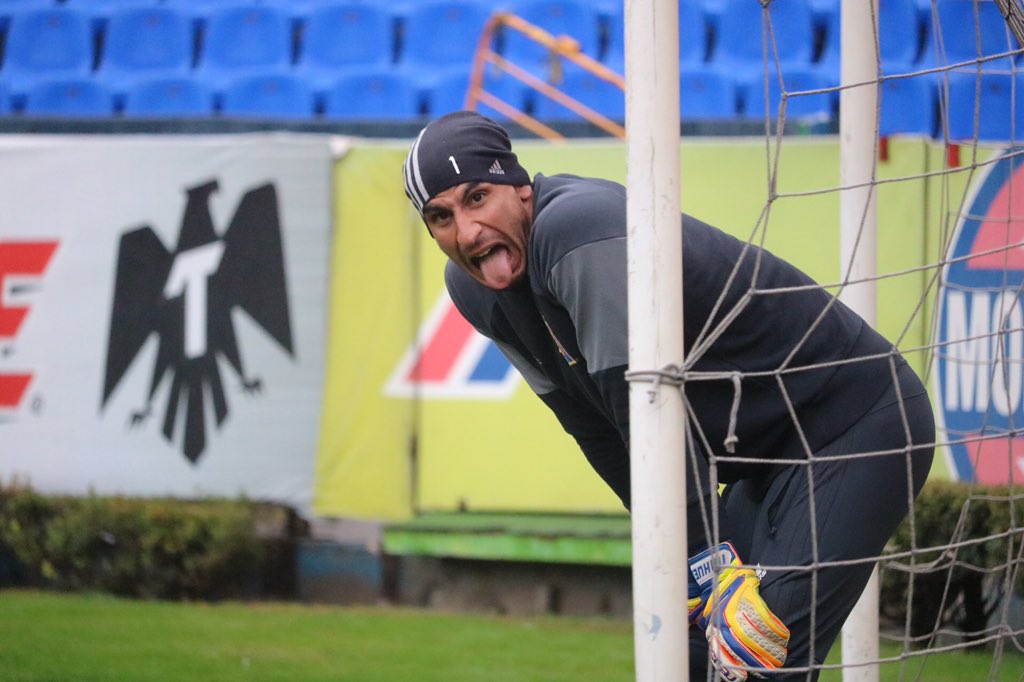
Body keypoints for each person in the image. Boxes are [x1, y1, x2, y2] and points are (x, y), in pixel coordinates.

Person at [402, 111, 935, 681]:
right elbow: (596, 430)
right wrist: (686, 552)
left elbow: (647, 417)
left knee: (747, 655)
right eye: (441, 217)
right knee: (690, 659)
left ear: (521, 188)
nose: (466, 231)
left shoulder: (575, 229)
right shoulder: (473, 289)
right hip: (766, 465)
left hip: (856, 424)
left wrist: (706, 562)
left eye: (478, 197)